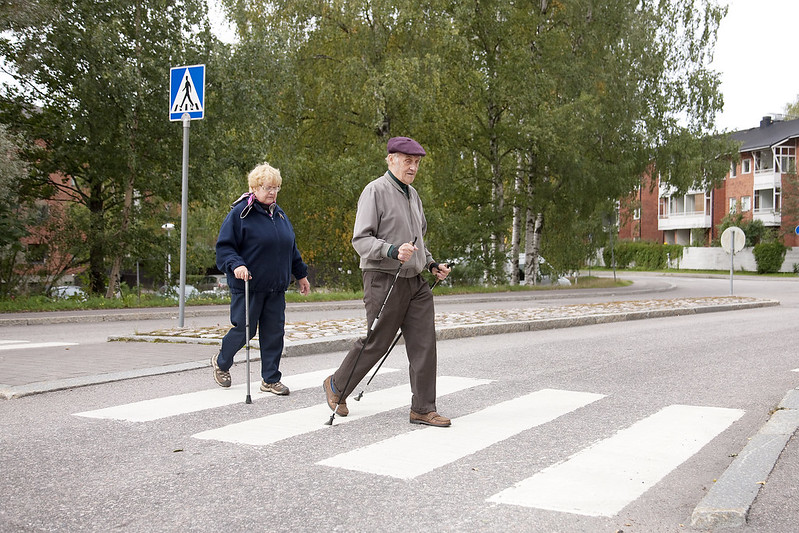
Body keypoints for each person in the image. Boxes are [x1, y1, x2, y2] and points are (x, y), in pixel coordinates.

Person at [323, 136, 452, 427]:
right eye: (408, 161)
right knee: (377, 342)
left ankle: (422, 408)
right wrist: (391, 250)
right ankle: (336, 386)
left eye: (417, 162)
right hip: (383, 277)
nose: (413, 167)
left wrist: (431, 264)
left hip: (415, 282)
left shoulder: (413, 195)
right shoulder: (375, 191)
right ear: (391, 159)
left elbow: (418, 240)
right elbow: (361, 240)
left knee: (424, 344)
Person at [212, 162, 310, 395]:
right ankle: (221, 362)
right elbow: (224, 248)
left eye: (276, 188)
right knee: (245, 329)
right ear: (254, 188)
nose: (273, 192)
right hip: (248, 284)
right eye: (267, 188)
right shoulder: (240, 214)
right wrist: (237, 265)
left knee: (274, 333)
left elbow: (290, 248)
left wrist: (301, 274)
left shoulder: (280, 215)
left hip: (276, 286)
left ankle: (270, 379)